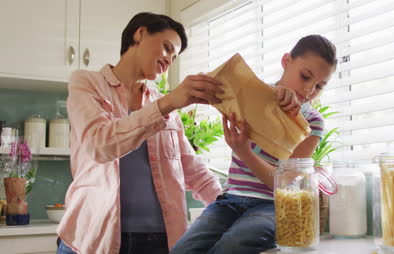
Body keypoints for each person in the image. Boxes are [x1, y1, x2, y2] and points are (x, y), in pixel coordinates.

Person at [56, 12, 227, 254]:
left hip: (161, 242)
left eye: (174, 57)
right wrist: (168, 104)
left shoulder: (165, 104)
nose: (169, 60)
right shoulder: (87, 83)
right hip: (92, 240)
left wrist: (231, 209)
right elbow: (99, 146)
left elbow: (194, 171)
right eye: (167, 48)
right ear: (140, 33)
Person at [170, 34, 337, 254]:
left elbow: (286, 185)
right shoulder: (252, 94)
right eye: (305, 77)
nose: (309, 90)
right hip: (229, 201)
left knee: (230, 247)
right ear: (286, 62)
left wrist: (245, 153)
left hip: (272, 205)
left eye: (319, 86)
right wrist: (268, 99)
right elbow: (217, 84)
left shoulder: (312, 122)